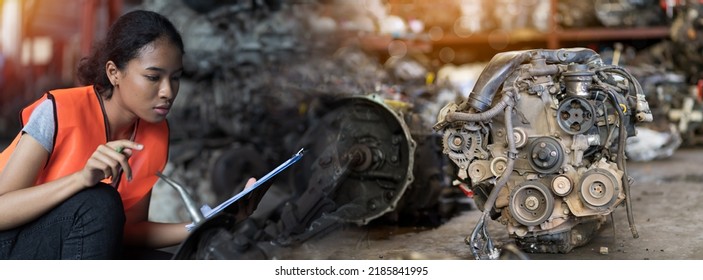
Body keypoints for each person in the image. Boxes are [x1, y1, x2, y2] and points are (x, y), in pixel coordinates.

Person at [0, 10, 255, 259]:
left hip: (69, 243)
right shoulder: (58, 112)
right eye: (153, 77)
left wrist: (205, 222)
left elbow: (125, 230)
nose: (168, 91)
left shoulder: (154, 134)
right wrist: (81, 179)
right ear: (114, 73)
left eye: (175, 78)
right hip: (10, 244)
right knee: (99, 201)